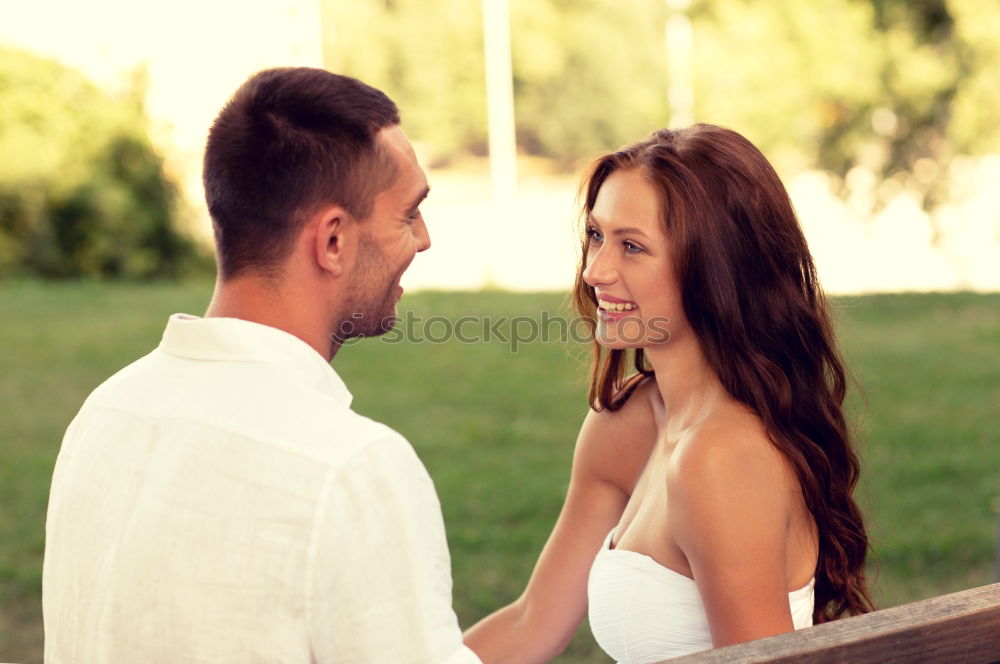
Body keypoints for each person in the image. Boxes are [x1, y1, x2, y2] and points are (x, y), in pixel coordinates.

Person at [43, 67, 481, 664]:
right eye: (409, 214)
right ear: (332, 241)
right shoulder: (351, 469)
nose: (424, 240)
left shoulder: (104, 415)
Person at [464, 124, 875, 663]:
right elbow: (531, 623)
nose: (594, 271)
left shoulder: (722, 458)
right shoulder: (629, 423)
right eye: (596, 235)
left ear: (715, 270)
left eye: (632, 246)